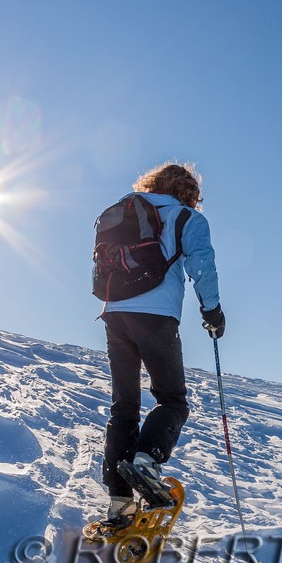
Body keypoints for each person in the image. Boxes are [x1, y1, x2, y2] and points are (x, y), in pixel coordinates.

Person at [100, 162, 224, 528]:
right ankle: (147, 460)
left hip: (114, 313)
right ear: (189, 192)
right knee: (172, 399)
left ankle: (119, 503)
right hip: (156, 316)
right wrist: (212, 312)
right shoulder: (186, 217)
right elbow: (202, 266)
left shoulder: (124, 208)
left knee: (124, 407)